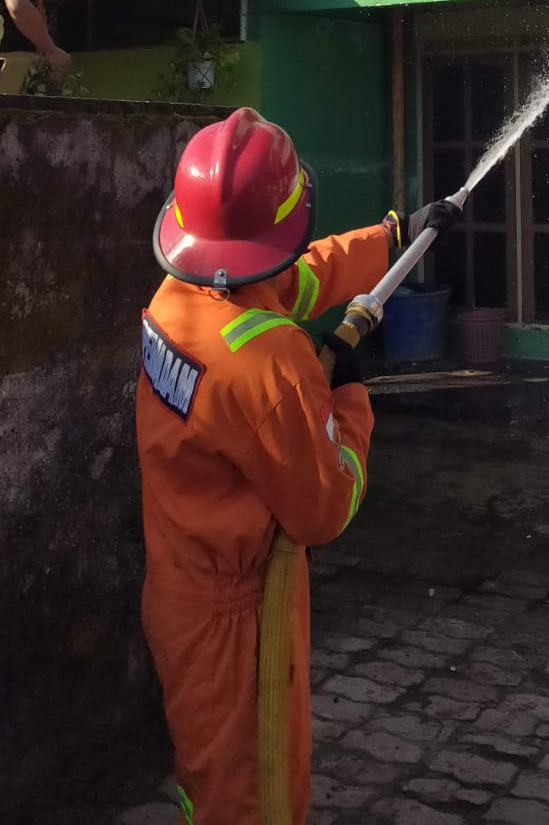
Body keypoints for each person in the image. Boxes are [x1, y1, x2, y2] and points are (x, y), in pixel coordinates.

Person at [138, 107, 462, 825]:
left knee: (208, 775)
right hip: (240, 619)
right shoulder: (270, 362)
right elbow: (324, 506)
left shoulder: (176, 298)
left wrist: (394, 236)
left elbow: (297, 279)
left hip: (178, 583)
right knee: (254, 798)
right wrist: (347, 393)